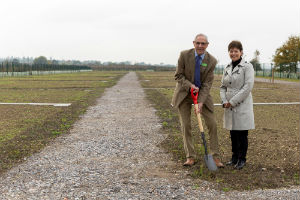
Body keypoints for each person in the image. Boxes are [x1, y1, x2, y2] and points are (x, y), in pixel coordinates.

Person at [171, 33, 224, 167]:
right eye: (198, 43)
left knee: (212, 124)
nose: (200, 46)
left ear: (207, 45)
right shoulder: (184, 55)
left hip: (202, 94)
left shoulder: (211, 60)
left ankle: (215, 157)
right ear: (194, 43)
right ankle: (190, 156)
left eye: (203, 43)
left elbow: (207, 84)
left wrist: (200, 102)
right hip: (184, 93)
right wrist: (190, 86)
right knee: (186, 125)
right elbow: (178, 76)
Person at [220, 40, 255, 170]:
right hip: (228, 106)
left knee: (242, 133)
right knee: (233, 133)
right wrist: (224, 101)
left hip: (241, 105)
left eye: (236, 51)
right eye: (231, 51)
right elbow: (222, 87)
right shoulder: (227, 67)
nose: (233, 53)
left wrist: (232, 102)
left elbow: (247, 87)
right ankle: (234, 157)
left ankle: (242, 159)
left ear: (241, 52)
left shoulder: (247, 67)